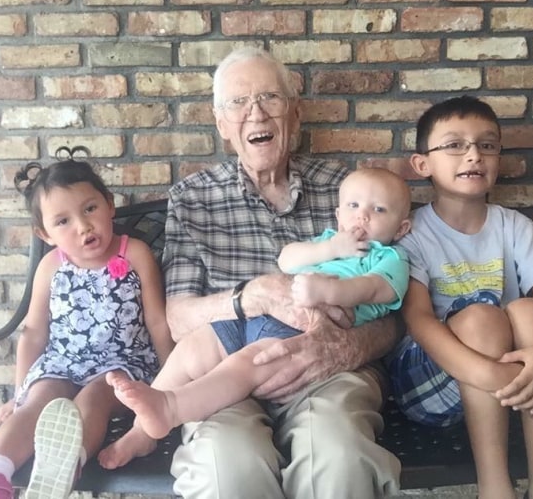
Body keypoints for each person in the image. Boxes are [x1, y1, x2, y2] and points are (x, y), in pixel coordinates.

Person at [106, 47, 404, 498]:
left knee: (340, 456)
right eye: (238, 103)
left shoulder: (351, 193)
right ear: (221, 124)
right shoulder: (194, 198)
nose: (256, 113)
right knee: (227, 464)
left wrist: (348, 346)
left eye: (270, 98)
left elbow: (394, 308)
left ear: (296, 114)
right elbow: (178, 317)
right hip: (226, 370)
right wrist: (250, 296)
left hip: (329, 367)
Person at [103, 167, 412, 446]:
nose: (363, 216)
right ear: (338, 214)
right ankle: (141, 430)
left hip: (299, 336)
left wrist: (333, 290)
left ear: (401, 228)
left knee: (245, 365)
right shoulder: (331, 241)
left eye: (379, 209)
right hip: (257, 314)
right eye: (353, 206)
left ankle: (170, 408)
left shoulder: (389, 259)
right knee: (195, 348)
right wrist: (328, 248)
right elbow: (287, 259)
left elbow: (376, 290)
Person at [387, 96, 533, 499]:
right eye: (455, 145)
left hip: (512, 382)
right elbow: (419, 322)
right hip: (433, 381)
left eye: (487, 145)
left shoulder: (515, 227)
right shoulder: (411, 233)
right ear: (422, 165)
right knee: (481, 317)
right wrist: (501, 377)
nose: (473, 155)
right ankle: (495, 488)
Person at [0, 147, 174, 499]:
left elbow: (157, 321)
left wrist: (170, 381)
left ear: (108, 204)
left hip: (122, 366)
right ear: (44, 233)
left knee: (96, 397)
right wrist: (20, 394)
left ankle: (61, 470)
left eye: (90, 209)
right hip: (63, 364)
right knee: (39, 399)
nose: (83, 226)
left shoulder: (134, 253)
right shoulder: (51, 267)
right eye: (63, 221)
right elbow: (33, 332)